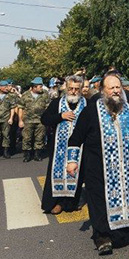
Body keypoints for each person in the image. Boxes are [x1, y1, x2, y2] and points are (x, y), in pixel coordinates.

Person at [66, 73, 129, 255]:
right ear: (103, 91)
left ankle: (127, 233)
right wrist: (72, 161)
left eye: (118, 87)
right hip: (98, 167)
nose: (116, 91)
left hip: (127, 168)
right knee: (99, 202)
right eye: (112, 88)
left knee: (128, 198)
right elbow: (76, 138)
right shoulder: (91, 111)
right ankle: (102, 237)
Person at [41, 75, 86, 214]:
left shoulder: (87, 103)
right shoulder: (57, 103)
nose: (73, 91)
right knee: (57, 174)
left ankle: (70, 203)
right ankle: (56, 203)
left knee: (76, 174)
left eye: (76, 89)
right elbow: (45, 119)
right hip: (59, 147)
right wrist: (61, 116)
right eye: (71, 88)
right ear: (66, 88)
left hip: (80, 147)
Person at [17, 77, 50, 162]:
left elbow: (48, 107)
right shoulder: (25, 95)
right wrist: (20, 120)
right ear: (34, 87)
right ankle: (27, 155)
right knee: (26, 138)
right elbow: (21, 108)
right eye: (40, 86)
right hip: (28, 120)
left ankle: (37, 154)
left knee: (40, 138)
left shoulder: (45, 94)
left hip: (41, 120)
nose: (41, 88)